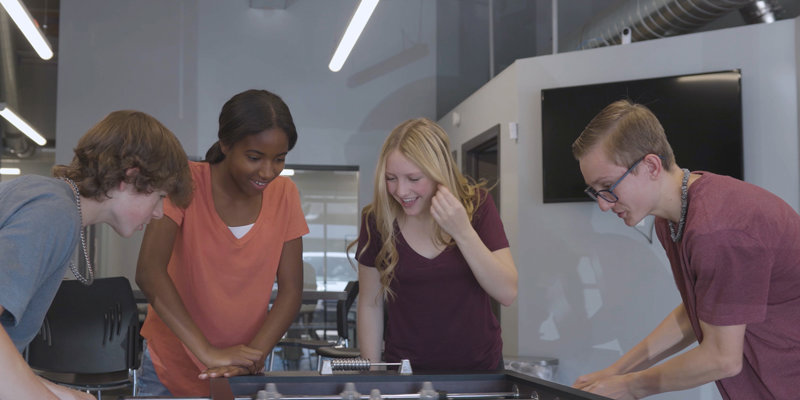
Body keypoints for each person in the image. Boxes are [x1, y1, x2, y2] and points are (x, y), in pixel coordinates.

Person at [571, 99, 800, 399]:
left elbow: (721, 358)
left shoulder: (717, 229)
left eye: (608, 186)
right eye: (595, 192)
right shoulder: (676, 216)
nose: (603, 204)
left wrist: (629, 386)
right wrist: (616, 372)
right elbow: (702, 310)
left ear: (651, 166)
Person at [0, 110, 192, 399]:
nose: (158, 213)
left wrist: (67, 395)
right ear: (130, 177)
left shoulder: (48, 199)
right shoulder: (53, 213)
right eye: (161, 197)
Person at [136, 89, 309, 397]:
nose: (267, 172)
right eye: (254, 157)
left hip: (242, 371)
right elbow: (150, 271)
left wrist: (252, 356)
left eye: (279, 159)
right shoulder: (185, 181)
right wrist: (208, 352)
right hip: (169, 367)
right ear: (226, 144)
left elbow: (291, 291)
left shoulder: (285, 194)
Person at [354, 117, 518, 371]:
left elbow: (507, 292)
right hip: (406, 374)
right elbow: (369, 304)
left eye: (413, 178)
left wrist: (462, 231)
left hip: (479, 371)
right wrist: (372, 375)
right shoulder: (376, 219)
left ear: (438, 172)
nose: (401, 191)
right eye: (391, 178)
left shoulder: (478, 207)